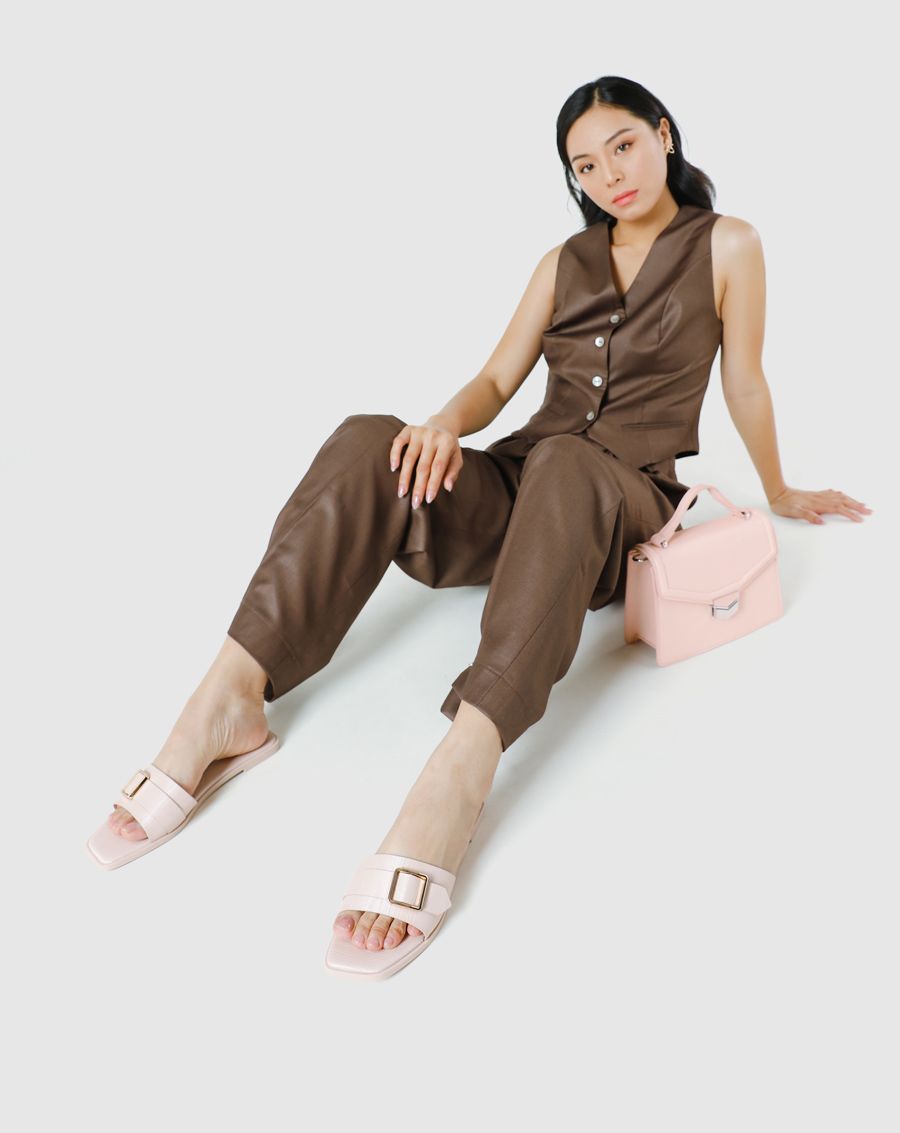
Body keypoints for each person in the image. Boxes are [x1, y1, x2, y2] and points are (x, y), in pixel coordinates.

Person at [86, 75, 872, 977]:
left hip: (622, 505)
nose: (609, 175)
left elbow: (746, 381)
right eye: (585, 165)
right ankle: (229, 696)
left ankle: (461, 766)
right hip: (525, 480)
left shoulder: (729, 244)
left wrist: (781, 488)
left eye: (622, 146)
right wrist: (436, 429)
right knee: (369, 438)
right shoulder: (562, 263)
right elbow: (497, 382)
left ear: (663, 134)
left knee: (570, 463)